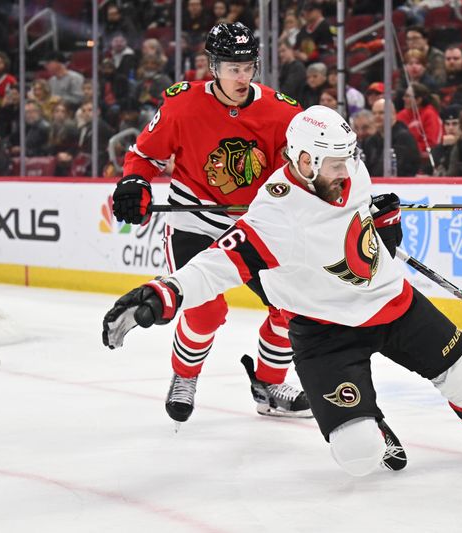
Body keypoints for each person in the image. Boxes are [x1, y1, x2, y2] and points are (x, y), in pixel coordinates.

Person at [102, 104, 462, 476]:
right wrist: (163, 293)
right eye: (336, 162)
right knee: (359, 456)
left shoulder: (350, 168)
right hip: (325, 333)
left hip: (394, 304)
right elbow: (218, 264)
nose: (347, 169)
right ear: (305, 162)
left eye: (350, 157)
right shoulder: (275, 213)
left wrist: (383, 219)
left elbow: (362, 218)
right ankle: (370, 422)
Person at [110, 22, 311, 425]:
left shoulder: (283, 111)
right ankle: (184, 377)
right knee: (204, 310)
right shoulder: (182, 105)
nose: (242, 76)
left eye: (248, 66)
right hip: (195, 222)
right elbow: (145, 156)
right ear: (213, 66)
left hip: (256, 226)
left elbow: (297, 172)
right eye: (232, 68)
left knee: (292, 306)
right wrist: (135, 183)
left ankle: (268, 386)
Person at [368, 98, 420, 176]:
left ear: (393, 114)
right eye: (374, 113)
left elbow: (392, 169)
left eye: (381, 113)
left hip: (401, 185)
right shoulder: (372, 140)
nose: (377, 116)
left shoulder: (403, 138)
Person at [396, 82, 442, 161]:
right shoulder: (401, 115)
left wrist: (409, 150)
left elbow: (431, 142)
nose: (403, 98)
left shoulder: (430, 114)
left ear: (418, 100)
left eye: (407, 96)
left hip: (424, 159)